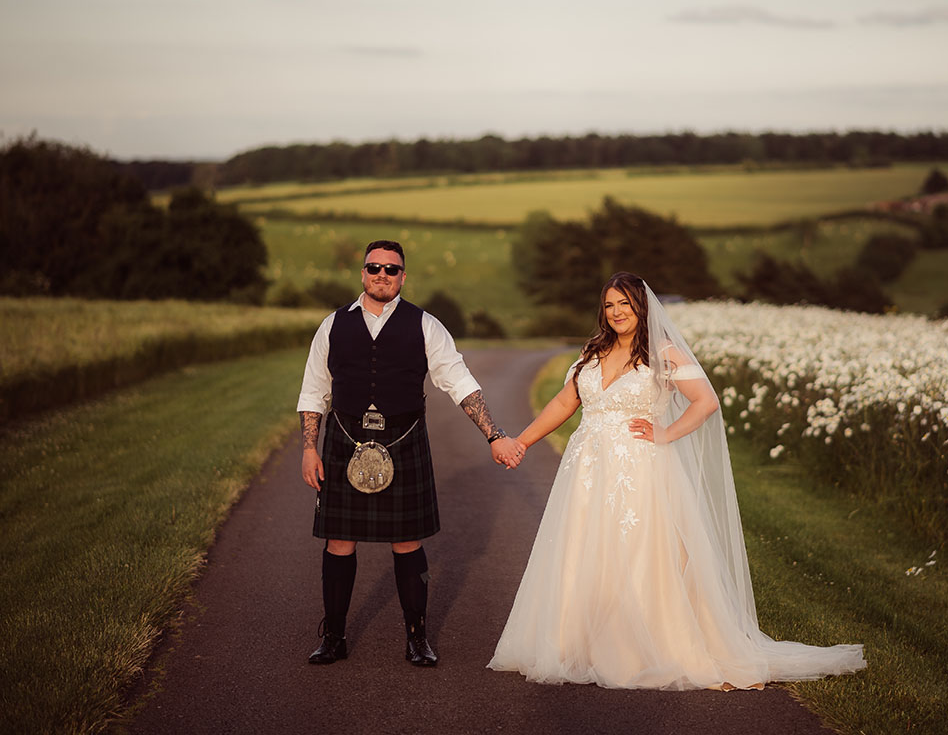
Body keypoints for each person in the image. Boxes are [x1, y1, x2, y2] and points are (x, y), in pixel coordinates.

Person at [487, 272, 865, 689]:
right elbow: (565, 401)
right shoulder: (593, 352)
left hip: (638, 469)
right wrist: (521, 441)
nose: (616, 313)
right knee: (582, 548)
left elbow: (706, 401)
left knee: (639, 554)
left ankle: (640, 647)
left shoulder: (662, 354)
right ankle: (574, 643)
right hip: (586, 468)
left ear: (641, 307)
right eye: (610, 305)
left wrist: (665, 433)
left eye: (625, 305)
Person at [297, 239, 525, 667]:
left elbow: (459, 382)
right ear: (362, 273)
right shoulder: (332, 325)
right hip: (344, 441)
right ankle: (334, 636)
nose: (382, 275)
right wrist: (310, 448)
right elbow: (314, 392)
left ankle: (417, 638)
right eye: (374, 267)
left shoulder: (426, 325)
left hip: (404, 441)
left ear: (403, 276)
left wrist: (495, 435)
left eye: (392, 269)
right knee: (339, 539)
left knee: (407, 541)